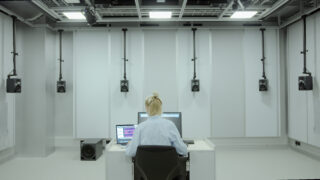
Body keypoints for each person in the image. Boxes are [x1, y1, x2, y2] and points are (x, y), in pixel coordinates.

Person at [126, 92, 187, 157]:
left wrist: (129, 145)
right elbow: (183, 151)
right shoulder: (170, 125)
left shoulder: (140, 127)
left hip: (145, 166)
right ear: (160, 108)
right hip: (167, 166)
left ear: (146, 108)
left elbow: (130, 153)